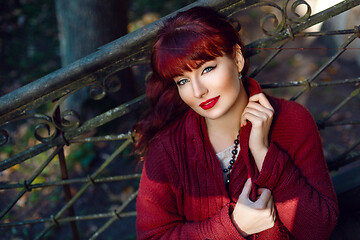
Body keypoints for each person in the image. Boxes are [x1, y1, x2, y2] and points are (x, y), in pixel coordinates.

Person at [134, 6, 339, 240]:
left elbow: (320, 228)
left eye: (207, 69)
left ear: (238, 59)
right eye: (182, 81)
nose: (198, 91)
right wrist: (233, 227)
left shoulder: (293, 121)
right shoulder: (167, 148)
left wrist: (265, 155)